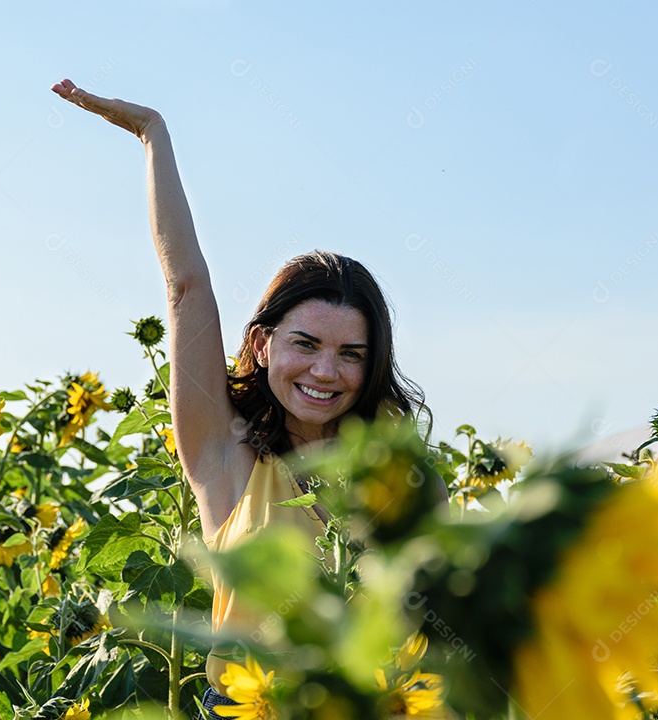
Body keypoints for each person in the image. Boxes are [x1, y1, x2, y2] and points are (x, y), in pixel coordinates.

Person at [51, 79, 434, 718]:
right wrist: (153, 134)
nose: (326, 372)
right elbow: (186, 287)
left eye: (351, 355)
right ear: (260, 344)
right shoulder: (227, 454)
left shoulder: (394, 472)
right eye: (305, 344)